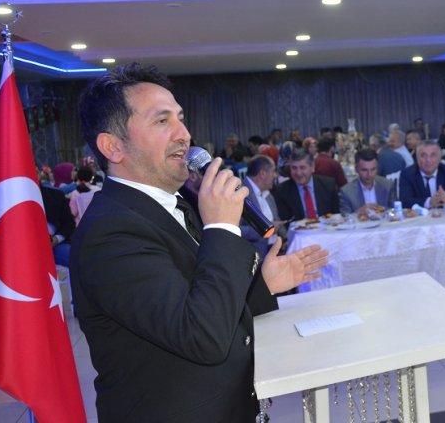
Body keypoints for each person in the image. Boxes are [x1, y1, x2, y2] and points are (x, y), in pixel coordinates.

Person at [70, 63, 328, 422]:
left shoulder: (173, 205)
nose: (185, 134)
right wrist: (221, 226)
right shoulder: (109, 234)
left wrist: (264, 285)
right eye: (162, 121)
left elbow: (201, 301)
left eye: (181, 119)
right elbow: (202, 335)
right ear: (113, 146)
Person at [272, 149, 340, 220]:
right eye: (294, 168)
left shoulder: (328, 185)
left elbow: (336, 216)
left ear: (312, 167)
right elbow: (285, 221)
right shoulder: (282, 191)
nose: (298, 173)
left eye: (302, 168)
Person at [241, 155, 287, 257]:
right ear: (262, 174)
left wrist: (286, 239)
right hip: (255, 256)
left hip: (275, 250)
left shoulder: (268, 194)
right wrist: (265, 230)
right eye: (273, 171)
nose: (276, 175)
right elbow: (236, 229)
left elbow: (276, 220)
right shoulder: (241, 194)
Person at [399, 141, 445, 208]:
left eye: (433, 155)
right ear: (417, 157)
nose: (428, 160)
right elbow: (405, 201)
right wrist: (429, 202)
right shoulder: (408, 174)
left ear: (440, 158)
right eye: (423, 156)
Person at [339, 148, 396, 213]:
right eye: (364, 170)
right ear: (356, 169)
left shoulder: (388, 185)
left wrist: (384, 211)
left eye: (373, 169)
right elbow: (345, 217)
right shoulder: (346, 192)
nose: (369, 174)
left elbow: (396, 211)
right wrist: (358, 213)